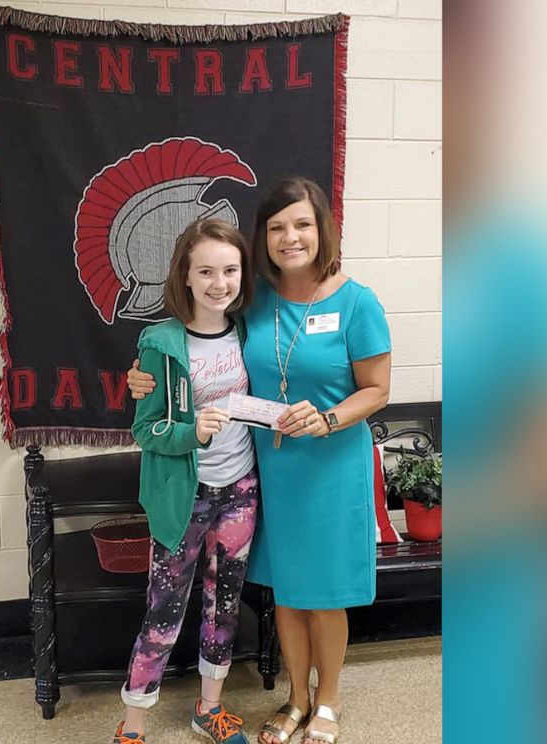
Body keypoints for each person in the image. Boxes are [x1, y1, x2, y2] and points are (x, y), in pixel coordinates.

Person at [127, 177, 392, 744]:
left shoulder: (358, 302)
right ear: (262, 239)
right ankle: (295, 699)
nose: (289, 237)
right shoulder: (256, 300)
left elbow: (377, 390)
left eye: (301, 224)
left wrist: (327, 419)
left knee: (327, 590)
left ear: (323, 229)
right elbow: (198, 347)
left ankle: (329, 701)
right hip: (270, 469)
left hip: (331, 463)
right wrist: (143, 376)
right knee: (290, 590)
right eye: (276, 228)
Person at [114, 218, 260, 744]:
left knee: (225, 603)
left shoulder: (247, 329)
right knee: (164, 611)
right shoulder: (160, 342)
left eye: (229, 269)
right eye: (206, 271)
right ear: (186, 276)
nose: (219, 282)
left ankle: (209, 709)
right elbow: (144, 428)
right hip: (184, 497)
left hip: (240, 489)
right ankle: (132, 727)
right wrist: (190, 432)